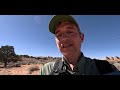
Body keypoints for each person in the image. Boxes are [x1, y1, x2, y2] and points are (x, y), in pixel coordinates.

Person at [39, 15, 119, 75]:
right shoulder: (46, 70)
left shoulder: (105, 68)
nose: (63, 38)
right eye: (59, 34)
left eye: (69, 32)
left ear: (82, 37)